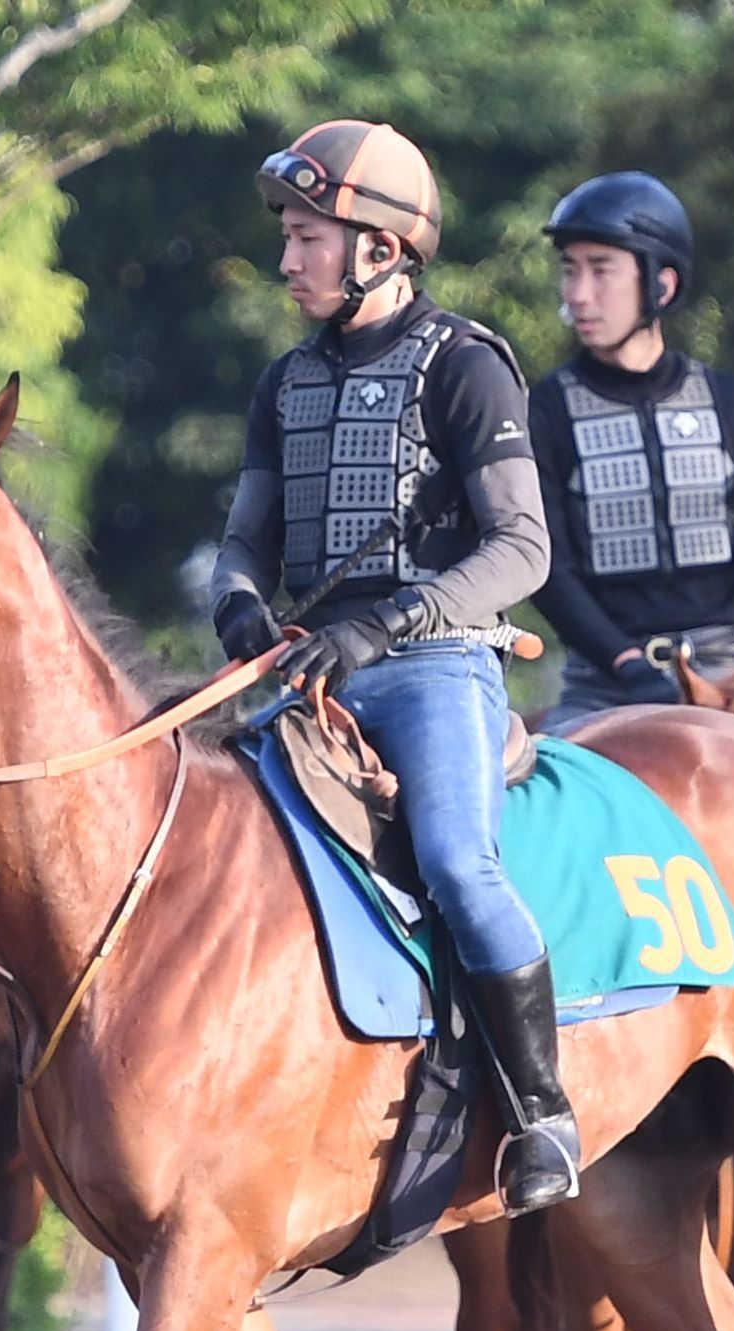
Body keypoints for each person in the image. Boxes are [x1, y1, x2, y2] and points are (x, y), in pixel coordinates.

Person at [207, 120, 575, 1211]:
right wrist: (233, 599)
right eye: (286, 232)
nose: (287, 258)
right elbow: (245, 537)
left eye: (308, 235)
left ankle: (544, 1114)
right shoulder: (284, 384)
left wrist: (387, 625)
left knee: (459, 864)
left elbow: (523, 549)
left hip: (435, 666)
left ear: (380, 248)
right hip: (305, 673)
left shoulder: (466, 366)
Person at [529, 172, 734, 731]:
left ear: (662, 286)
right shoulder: (543, 410)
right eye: (570, 270)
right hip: (602, 686)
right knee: (538, 805)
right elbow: (550, 570)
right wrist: (626, 663)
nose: (577, 294)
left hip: (729, 675)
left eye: (601, 270)